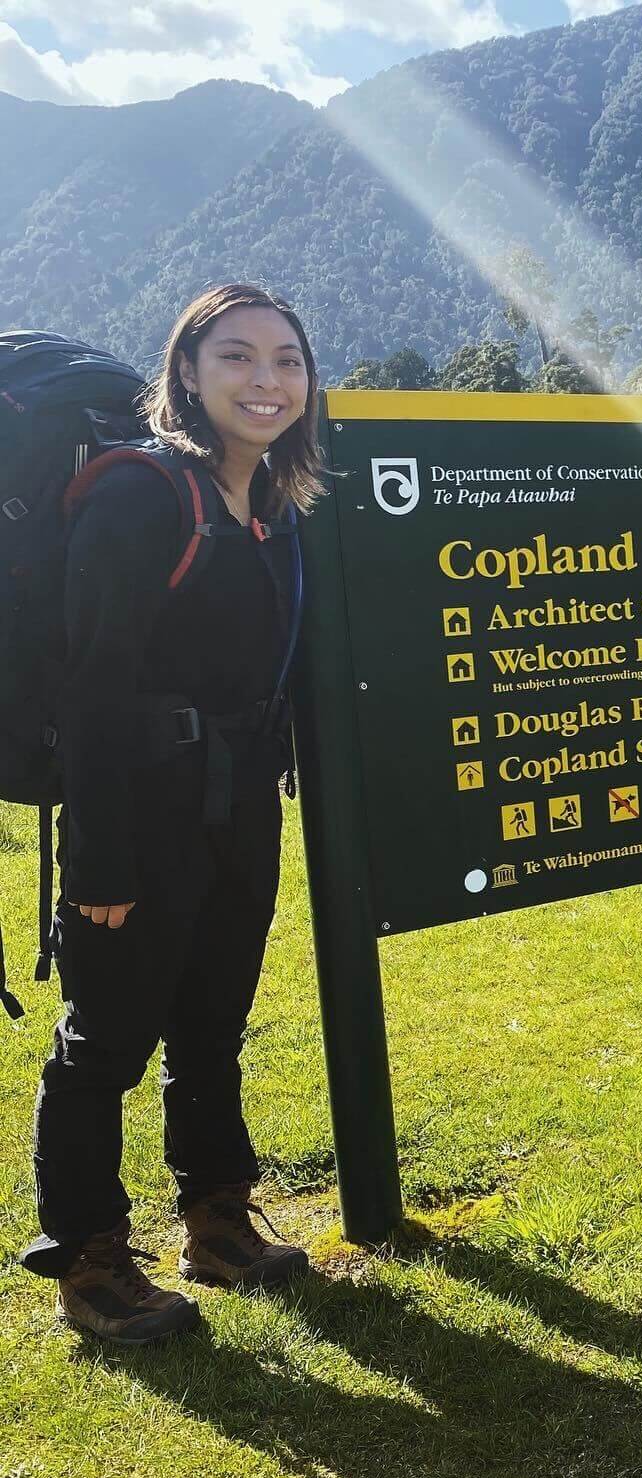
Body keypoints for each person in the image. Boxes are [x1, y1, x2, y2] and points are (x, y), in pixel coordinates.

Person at [19, 283, 323, 1342]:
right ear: (186, 372)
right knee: (105, 1042)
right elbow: (93, 690)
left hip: (240, 811)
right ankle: (93, 1262)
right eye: (236, 357)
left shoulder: (273, 507)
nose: (266, 380)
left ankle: (217, 1221)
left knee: (212, 1027)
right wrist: (96, 863)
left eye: (286, 360)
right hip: (139, 813)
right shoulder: (138, 496)